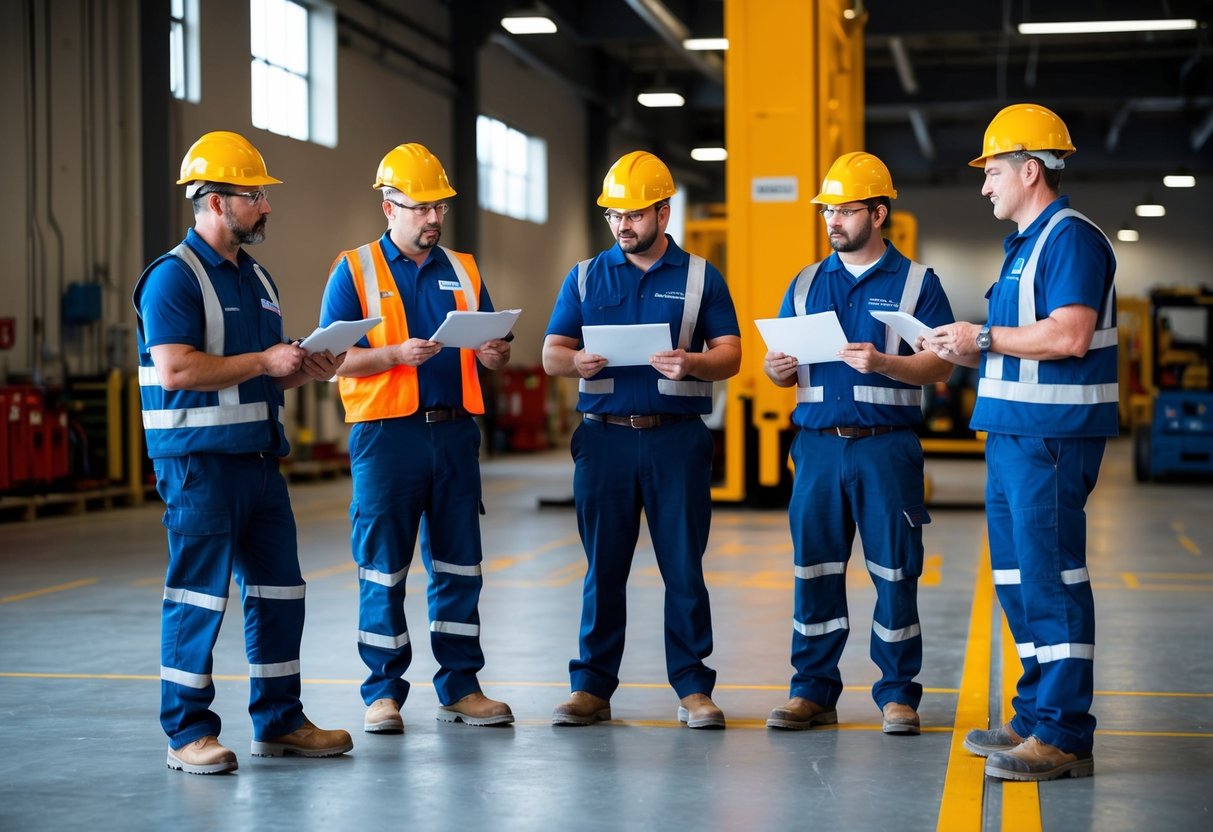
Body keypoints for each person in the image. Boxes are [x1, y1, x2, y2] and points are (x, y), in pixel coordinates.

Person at [134, 131, 353, 775]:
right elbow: (175, 370)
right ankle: (188, 732)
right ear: (213, 200)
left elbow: (257, 372)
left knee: (281, 594)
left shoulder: (257, 277)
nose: (264, 205)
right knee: (199, 597)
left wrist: (304, 369)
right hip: (200, 466)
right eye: (253, 195)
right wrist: (265, 358)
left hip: (259, 462)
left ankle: (280, 720)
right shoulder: (171, 279)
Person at [925, 104, 1115, 781]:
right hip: (1013, 435)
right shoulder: (1025, 247)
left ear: (1029, 170)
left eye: (993, 171)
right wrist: (963, 344)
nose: (983, 186)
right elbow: (1017, 346)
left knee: (1051, 579)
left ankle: (1062, 733)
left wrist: (980, 337)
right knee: (1017, 580)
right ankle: (1035, 714)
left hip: (1051, 439)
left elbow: (1066, 336)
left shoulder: (1068, 239)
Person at [542, 150, 741, 729]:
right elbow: (551, 353)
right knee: (603, 566)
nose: (622, 225)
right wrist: (575, 360)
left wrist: (694, 364)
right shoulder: (584, 275)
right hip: (603, 441)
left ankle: (693, 688)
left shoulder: (702, 276)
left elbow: (730, 355)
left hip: (675, 440)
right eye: (614, 215)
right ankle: (592, 688)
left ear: (663, 212)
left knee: (683, 565)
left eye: (633, 214)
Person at [319, 143, 514, 732]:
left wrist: (495, 353)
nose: (432, 218)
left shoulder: (465, 269)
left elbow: (495, 351)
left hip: (453, 435)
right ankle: (383, 693)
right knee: (383, 567)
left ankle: (461, 687)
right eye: (420, 207)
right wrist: (392, 355)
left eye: (440, 207)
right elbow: (328, 358)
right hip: (386, 438)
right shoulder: (353, 271)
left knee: (460, 566)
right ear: (388, 206)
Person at [761, 152, 955, 736]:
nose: (833, 220)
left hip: (885, 447)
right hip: (818, 447)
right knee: (814, 569)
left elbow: (942, 367)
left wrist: (885, 364)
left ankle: (898, 695)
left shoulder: (919, 284)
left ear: (878, 211)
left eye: (845, 210)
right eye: (828, 210)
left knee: (895, 572)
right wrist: (776, 368)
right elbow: (779, 373)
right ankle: (811, 692)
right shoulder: (803, 284)